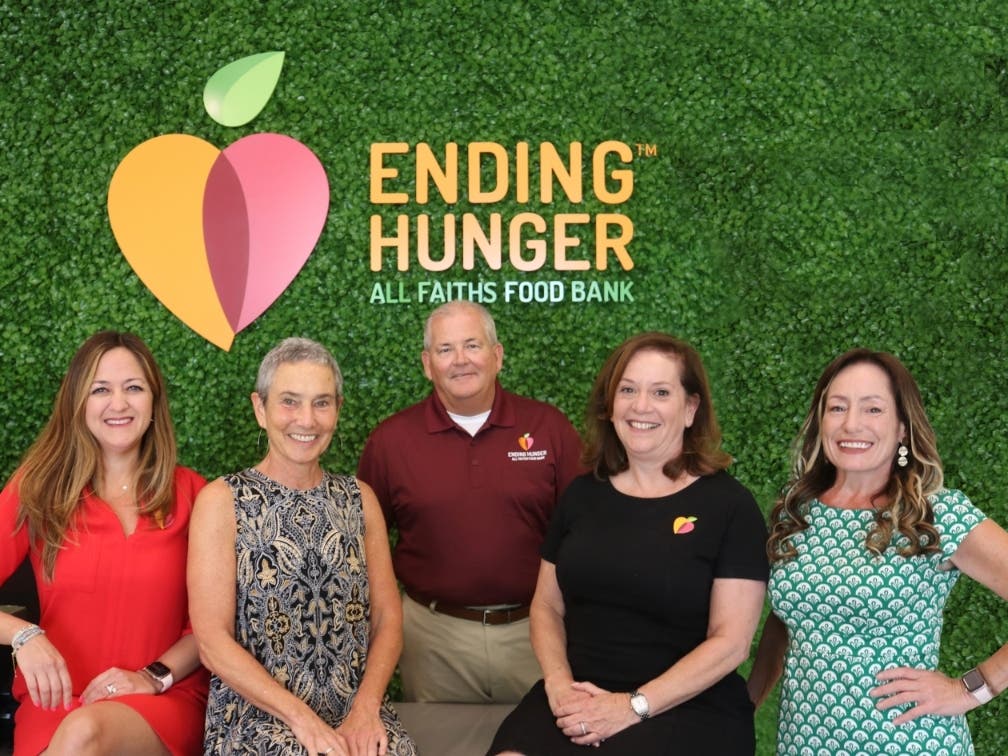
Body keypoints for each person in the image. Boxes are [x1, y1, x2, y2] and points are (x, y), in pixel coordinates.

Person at [488, 332, 769, 755]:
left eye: (660, 392)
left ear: (690, 409)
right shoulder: (583, 495)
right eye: (628, 390)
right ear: (611, 405)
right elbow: (547, 605)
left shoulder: (730, 506)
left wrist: (633, 706)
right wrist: (559, 684)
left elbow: (730, 643)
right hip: (578, 694)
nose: (641, 406)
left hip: (687, 706)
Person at [747, 348, 1008, 755]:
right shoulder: (796, 510)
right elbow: (786, 622)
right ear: (821, 421)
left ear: (903, 428)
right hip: (805, 744)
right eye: (837, 407)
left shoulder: (935, 514)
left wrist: (970, 689)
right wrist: (746, 704)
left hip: (908, 742)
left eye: (872, 409)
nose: (852, 424)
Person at [188, 337, 416, 756]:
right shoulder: (221, 501)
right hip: (257, 720)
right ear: (261, 408)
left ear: (338, 409)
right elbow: (212, 642)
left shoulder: (359, 499)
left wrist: (366, 710)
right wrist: (304, 724)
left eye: (322, 403)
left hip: (356, 714)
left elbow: (388, 618)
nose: (306, 420)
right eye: (290, 401)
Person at [356, 301, 584, 704]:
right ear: (428, 364)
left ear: (497, 356)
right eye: (445, 350)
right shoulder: (391, 441)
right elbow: (362, 542)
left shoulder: (549, 428)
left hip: (534, 632)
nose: (460, 361)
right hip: (433, 639)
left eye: (472, 346)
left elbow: (585, 532)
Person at [0, 330, 208, 755]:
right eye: (100, 390)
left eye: (133, 388)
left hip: (162, 702)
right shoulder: (37, 490)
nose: (118, 404)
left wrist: (152, 677)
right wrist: (22, 635)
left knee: (84, 734)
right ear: (78, 403)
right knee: (77, 731)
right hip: (53, 704)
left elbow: (215, 624)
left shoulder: (195, 495)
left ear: (153, 403)